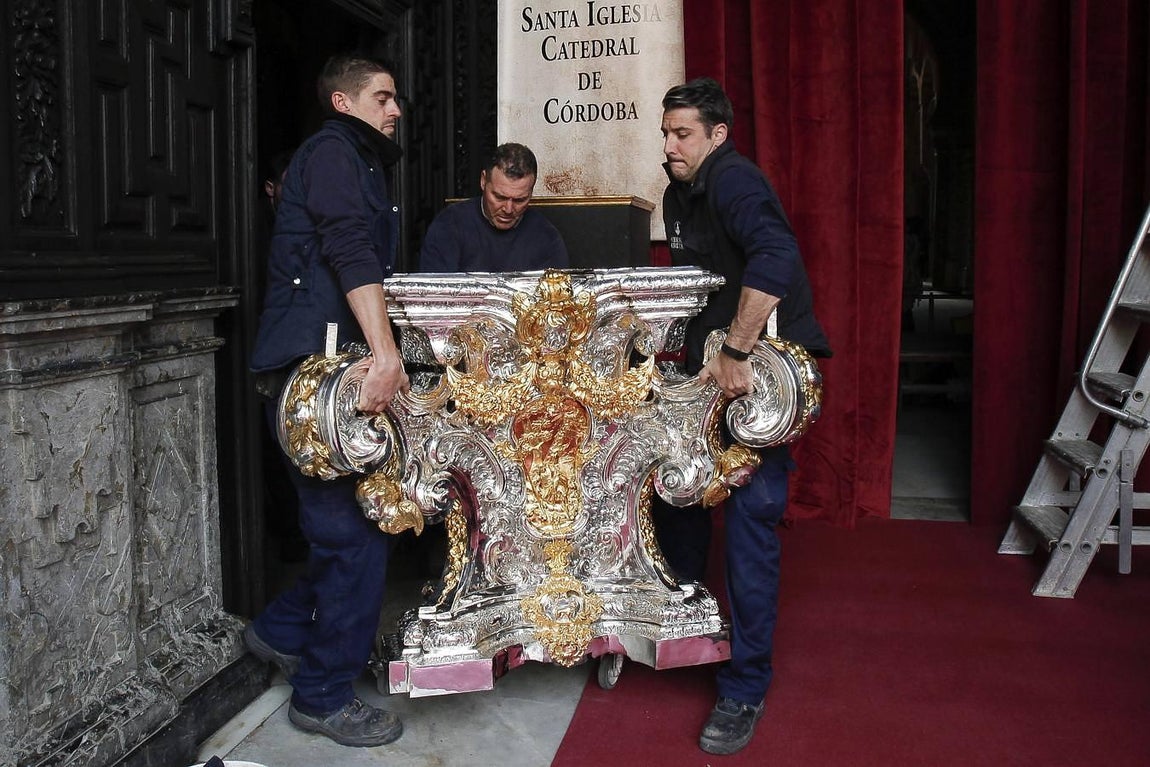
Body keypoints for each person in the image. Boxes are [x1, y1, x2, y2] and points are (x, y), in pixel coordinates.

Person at [653, 77, 831, 756]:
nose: (669, 145)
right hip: (709, 373)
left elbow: (777, 256)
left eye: (682, 134)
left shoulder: (734, 179)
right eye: (666, 132)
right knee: (678, 498)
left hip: (761, 374)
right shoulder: (679, 190)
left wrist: (735, 347)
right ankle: (686, 636)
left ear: (717, 135)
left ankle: (745, 683)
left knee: (752, 517)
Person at [246, 53, 409, 749]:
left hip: (316, 366)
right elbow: (348, 248)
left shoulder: (358, 160)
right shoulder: (334, 153)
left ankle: (279, 631)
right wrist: (386, 352)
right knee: (353, 536)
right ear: (344, 103)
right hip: (319, 372)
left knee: (339, 528)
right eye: (383, 97)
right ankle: (322, 694)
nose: (395, 109)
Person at [418, 142, 568, 272]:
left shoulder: (546, 237)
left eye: (520, 200)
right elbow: (433, 296)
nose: (508, 209)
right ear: (483, 181)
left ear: (531, 192)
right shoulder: (449, 225)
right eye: (499, 197)